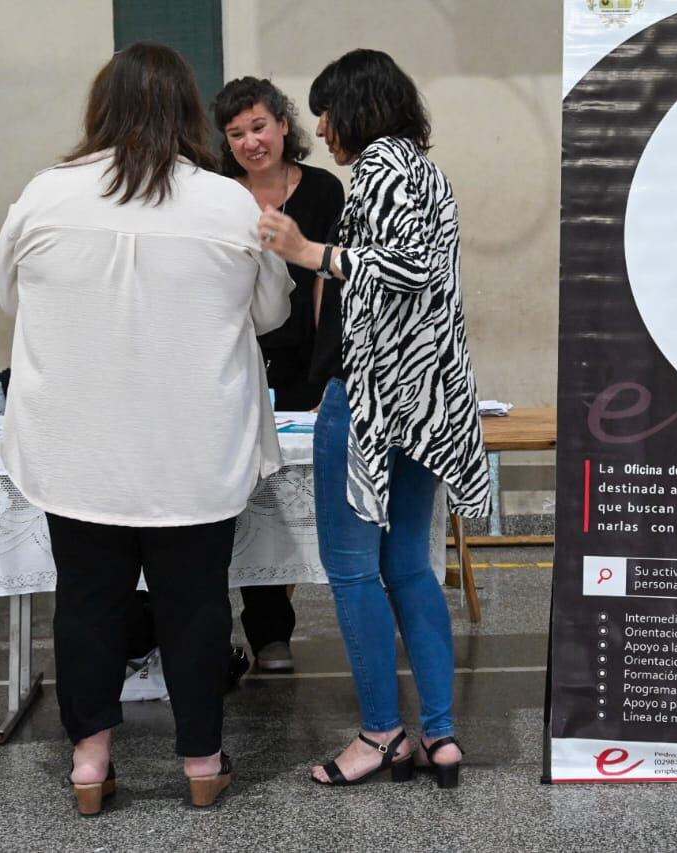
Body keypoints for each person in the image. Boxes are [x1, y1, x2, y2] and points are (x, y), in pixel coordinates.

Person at [0, 42, 292, 815]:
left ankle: (90, 764)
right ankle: (200, 760)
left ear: (101, 109)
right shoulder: (228, 202)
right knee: (196, 604)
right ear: (191, 113)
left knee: (87, 602)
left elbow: (10, 293)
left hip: (78, 447)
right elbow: (271, 312)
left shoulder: (45, 194)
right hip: (194, 446)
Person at [258, 49, 491, 789]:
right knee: (409, 566)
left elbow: (408, 267)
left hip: (372, 397)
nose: (321, 127)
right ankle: (442, 734)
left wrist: (310, 252)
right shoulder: (425, 169)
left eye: (327, 111)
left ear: (359, 106)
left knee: (354, 571)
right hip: (426, 399)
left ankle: (382, 734)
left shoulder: (383, 169)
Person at [211, 76, 345, 674]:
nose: (251, 142)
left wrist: (324, 375)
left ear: (284, 125)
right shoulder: (216, 195)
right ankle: (213, 635)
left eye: (259, 127)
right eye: (236, 134)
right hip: (231, 361)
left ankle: (271, 632)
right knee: (226, 498)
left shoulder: (322, 190)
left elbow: (328, 287)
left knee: (277, 499)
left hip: (301, 365)